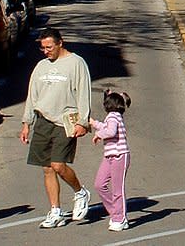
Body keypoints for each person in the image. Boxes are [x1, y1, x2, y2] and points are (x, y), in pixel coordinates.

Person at [20, 27, 92, 229]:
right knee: (47, 168)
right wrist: (26, 123)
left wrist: (83, 122)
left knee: (58, 165)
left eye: (49, 47)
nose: (46, 51)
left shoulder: (76, 63)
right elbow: (32, 96)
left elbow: (84, 93)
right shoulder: (41, 66)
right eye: (42, 48)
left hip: (65, 121)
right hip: (43, 120)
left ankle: (80, 192)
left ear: (60, 43)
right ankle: (55, 211)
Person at [90, 90, 131, 232]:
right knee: (99, 184)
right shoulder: (113, 116)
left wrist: (98, 134)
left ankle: (120, 218)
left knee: (117, 189)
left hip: (119, 155)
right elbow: (107, 127)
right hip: (110, 155)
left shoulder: (113, 116)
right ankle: (116, 212)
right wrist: (94, 123)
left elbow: (110, 131)